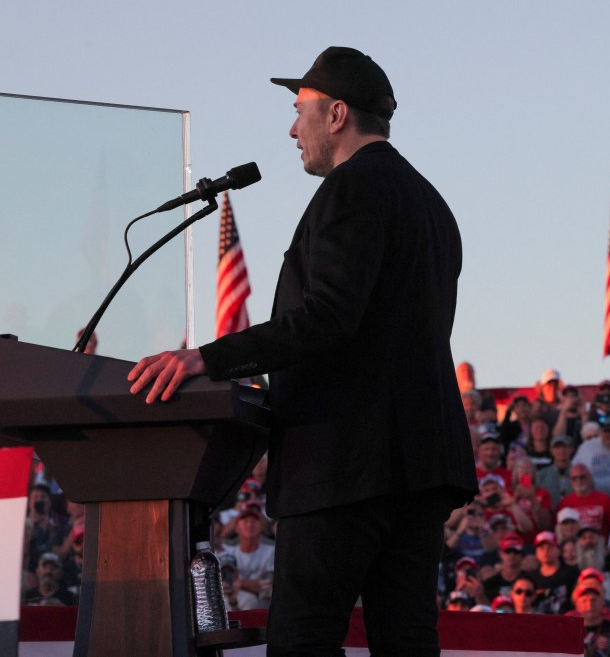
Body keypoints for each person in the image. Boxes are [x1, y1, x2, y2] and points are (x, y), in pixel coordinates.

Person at [126, 47, 477, 655]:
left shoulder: (354, 188)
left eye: (300, 112)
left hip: (346, 459)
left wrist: (205, 358)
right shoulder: (429, 201)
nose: (293, 130)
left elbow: (328, 317)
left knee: (303, 637)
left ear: (337, 114)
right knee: (406, 636)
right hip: (421, 461)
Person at [219, 504, 275, 611]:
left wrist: (239, 583)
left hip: (261, 607)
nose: (250, 525)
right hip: (231, 603)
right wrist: (255, 585)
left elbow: (269, 589)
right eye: (245, 522)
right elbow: (223, 584)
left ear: (261, 526)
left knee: (251, 601)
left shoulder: (271, 551)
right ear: (237, 528)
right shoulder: (228, 551)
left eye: (254, 521)